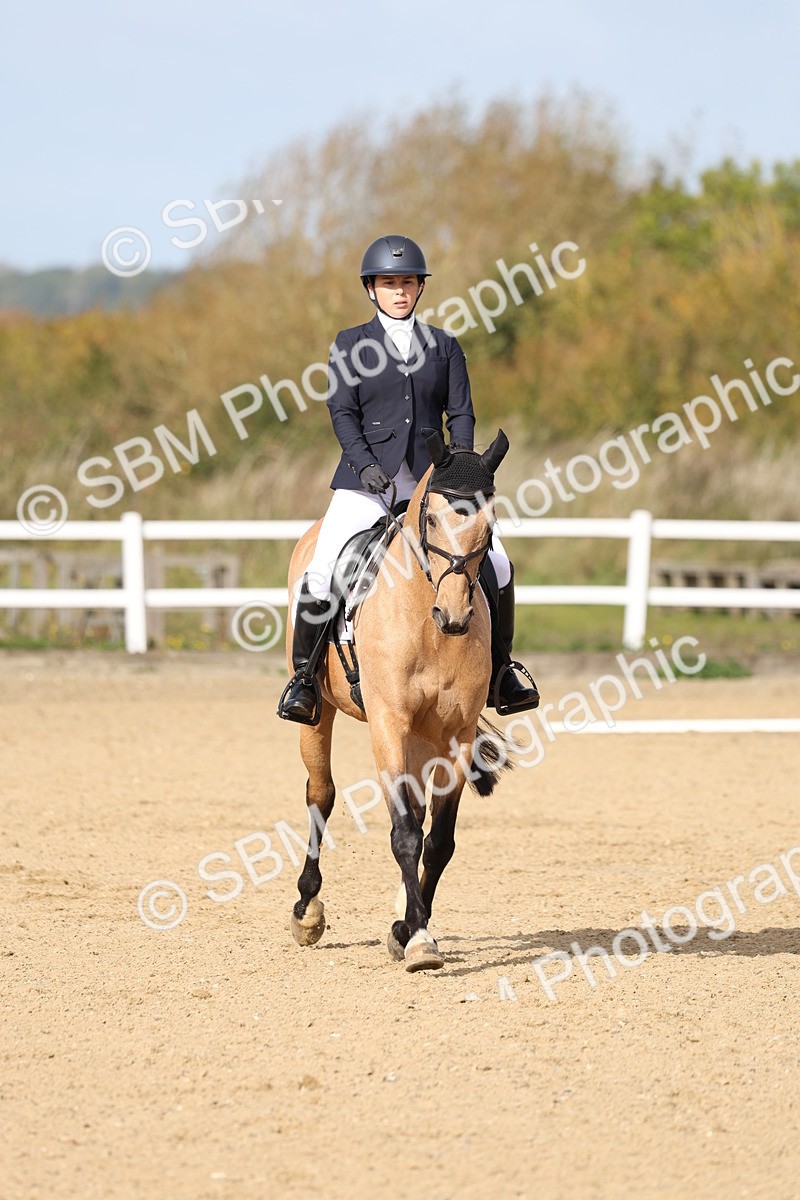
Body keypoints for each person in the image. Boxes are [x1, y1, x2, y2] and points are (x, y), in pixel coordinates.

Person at [277, 234, 539, 724]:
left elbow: (461, 414)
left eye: (407, 283)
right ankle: (305, 680)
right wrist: (365, 465)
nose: (398, 291)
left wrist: (459, 469)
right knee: (321, 568)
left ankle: (502, 672)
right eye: (388, 283)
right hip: (365, 485)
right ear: (371, 289)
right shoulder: (350, 344)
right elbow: (342, 413)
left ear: (420, 288)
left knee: (499, 564)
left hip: (432, 485)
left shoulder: (444, 346)